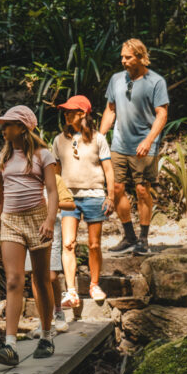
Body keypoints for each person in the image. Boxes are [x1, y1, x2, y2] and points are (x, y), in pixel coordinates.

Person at [0, 106, 58, 364]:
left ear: (22, 127)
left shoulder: (43, 155)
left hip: (38, 219)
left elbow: (52, 191)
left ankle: (47, 336)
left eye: (7, 124)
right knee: (14, 280)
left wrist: (50, 221)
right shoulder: (1, 159)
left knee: (41, 280)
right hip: (10, 222)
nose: (3, 129)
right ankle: (10, 345)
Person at [100, 39, 169, 256]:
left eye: (128, 57)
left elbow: (162, 114)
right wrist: (100, 137)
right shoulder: (116, 80)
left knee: (141, 190)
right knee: (117, 189)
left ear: (140, 57)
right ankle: (129, 236)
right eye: (122, 57)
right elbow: (110, 110)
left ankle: (143, 239)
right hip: (119, 143)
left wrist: (148, 140)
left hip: (144, 144)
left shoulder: (155, 81)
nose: (123, 61)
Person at [52, 95, 115, 312]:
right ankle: (71, 291)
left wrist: (111, 196)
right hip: (68, 198)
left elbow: (108, 169)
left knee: (94, 244)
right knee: (68, 243)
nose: (66, 114)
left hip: (95, 195)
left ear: (83, 114)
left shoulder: (98, 139)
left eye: (71, 111)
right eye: (66, 111)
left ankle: (94, 284)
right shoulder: (59, 140)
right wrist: (54, 197)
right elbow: (56, 172)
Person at [25, 168, 75, 336]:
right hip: (29, 227)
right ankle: (43, 321)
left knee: (51, 275)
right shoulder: (24, 178)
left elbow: (70, 203)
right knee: (35, 275)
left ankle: (58, 311)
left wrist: (51, 203)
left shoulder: (54, 179)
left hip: (52, 227)